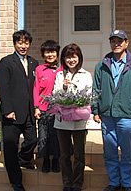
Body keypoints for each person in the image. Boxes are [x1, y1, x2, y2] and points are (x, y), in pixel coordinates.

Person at [92, 30, 131, 191]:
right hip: (108, 117)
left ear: (127, 43)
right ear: (110, 43)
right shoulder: (102, 65)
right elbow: (96, 89)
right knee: (110, 152)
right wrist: (95, 110)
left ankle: (126, 184)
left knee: (127, 153)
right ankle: (114, 182)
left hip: (127, 117)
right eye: (113, 41)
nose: (116, 44)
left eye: (120, 41)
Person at [0, 30, 38, 191]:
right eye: (20, 43)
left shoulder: (34, 63)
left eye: (26, 43)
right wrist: (8, 109)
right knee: (10, 148)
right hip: (11, 114)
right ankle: (16, 181)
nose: (23, 46)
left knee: (33, 140)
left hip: (28, 112)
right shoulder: (6, 62)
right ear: (15, 44)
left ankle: (23, 159)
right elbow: (3, 87)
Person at [52, 43, 92, 191]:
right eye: (68, 57)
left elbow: (88, 96)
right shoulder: (59, 75)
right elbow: (54, 96)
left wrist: (74, 88)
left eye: (74, 56)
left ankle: (77, 183)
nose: (71, 60)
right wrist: (63, 87)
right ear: (63, 59)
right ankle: (67, 182)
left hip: (79, 121)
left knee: (79, 155)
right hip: (62, 121)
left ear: (79, 58)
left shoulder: (86, 75)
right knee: (64, 155)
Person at [33, 40, 62, 173]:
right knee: (43, 136)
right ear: (43, 54)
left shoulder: (62, 69)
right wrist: (36, 107)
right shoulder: (39, 69)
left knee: (56, 136)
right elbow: (36, 89)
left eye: (52, 51)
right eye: (47, 52)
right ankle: (45, 161)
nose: (50, 54)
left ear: (57, 53)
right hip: (43, 108)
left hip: (58, 109)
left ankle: (56, 160)